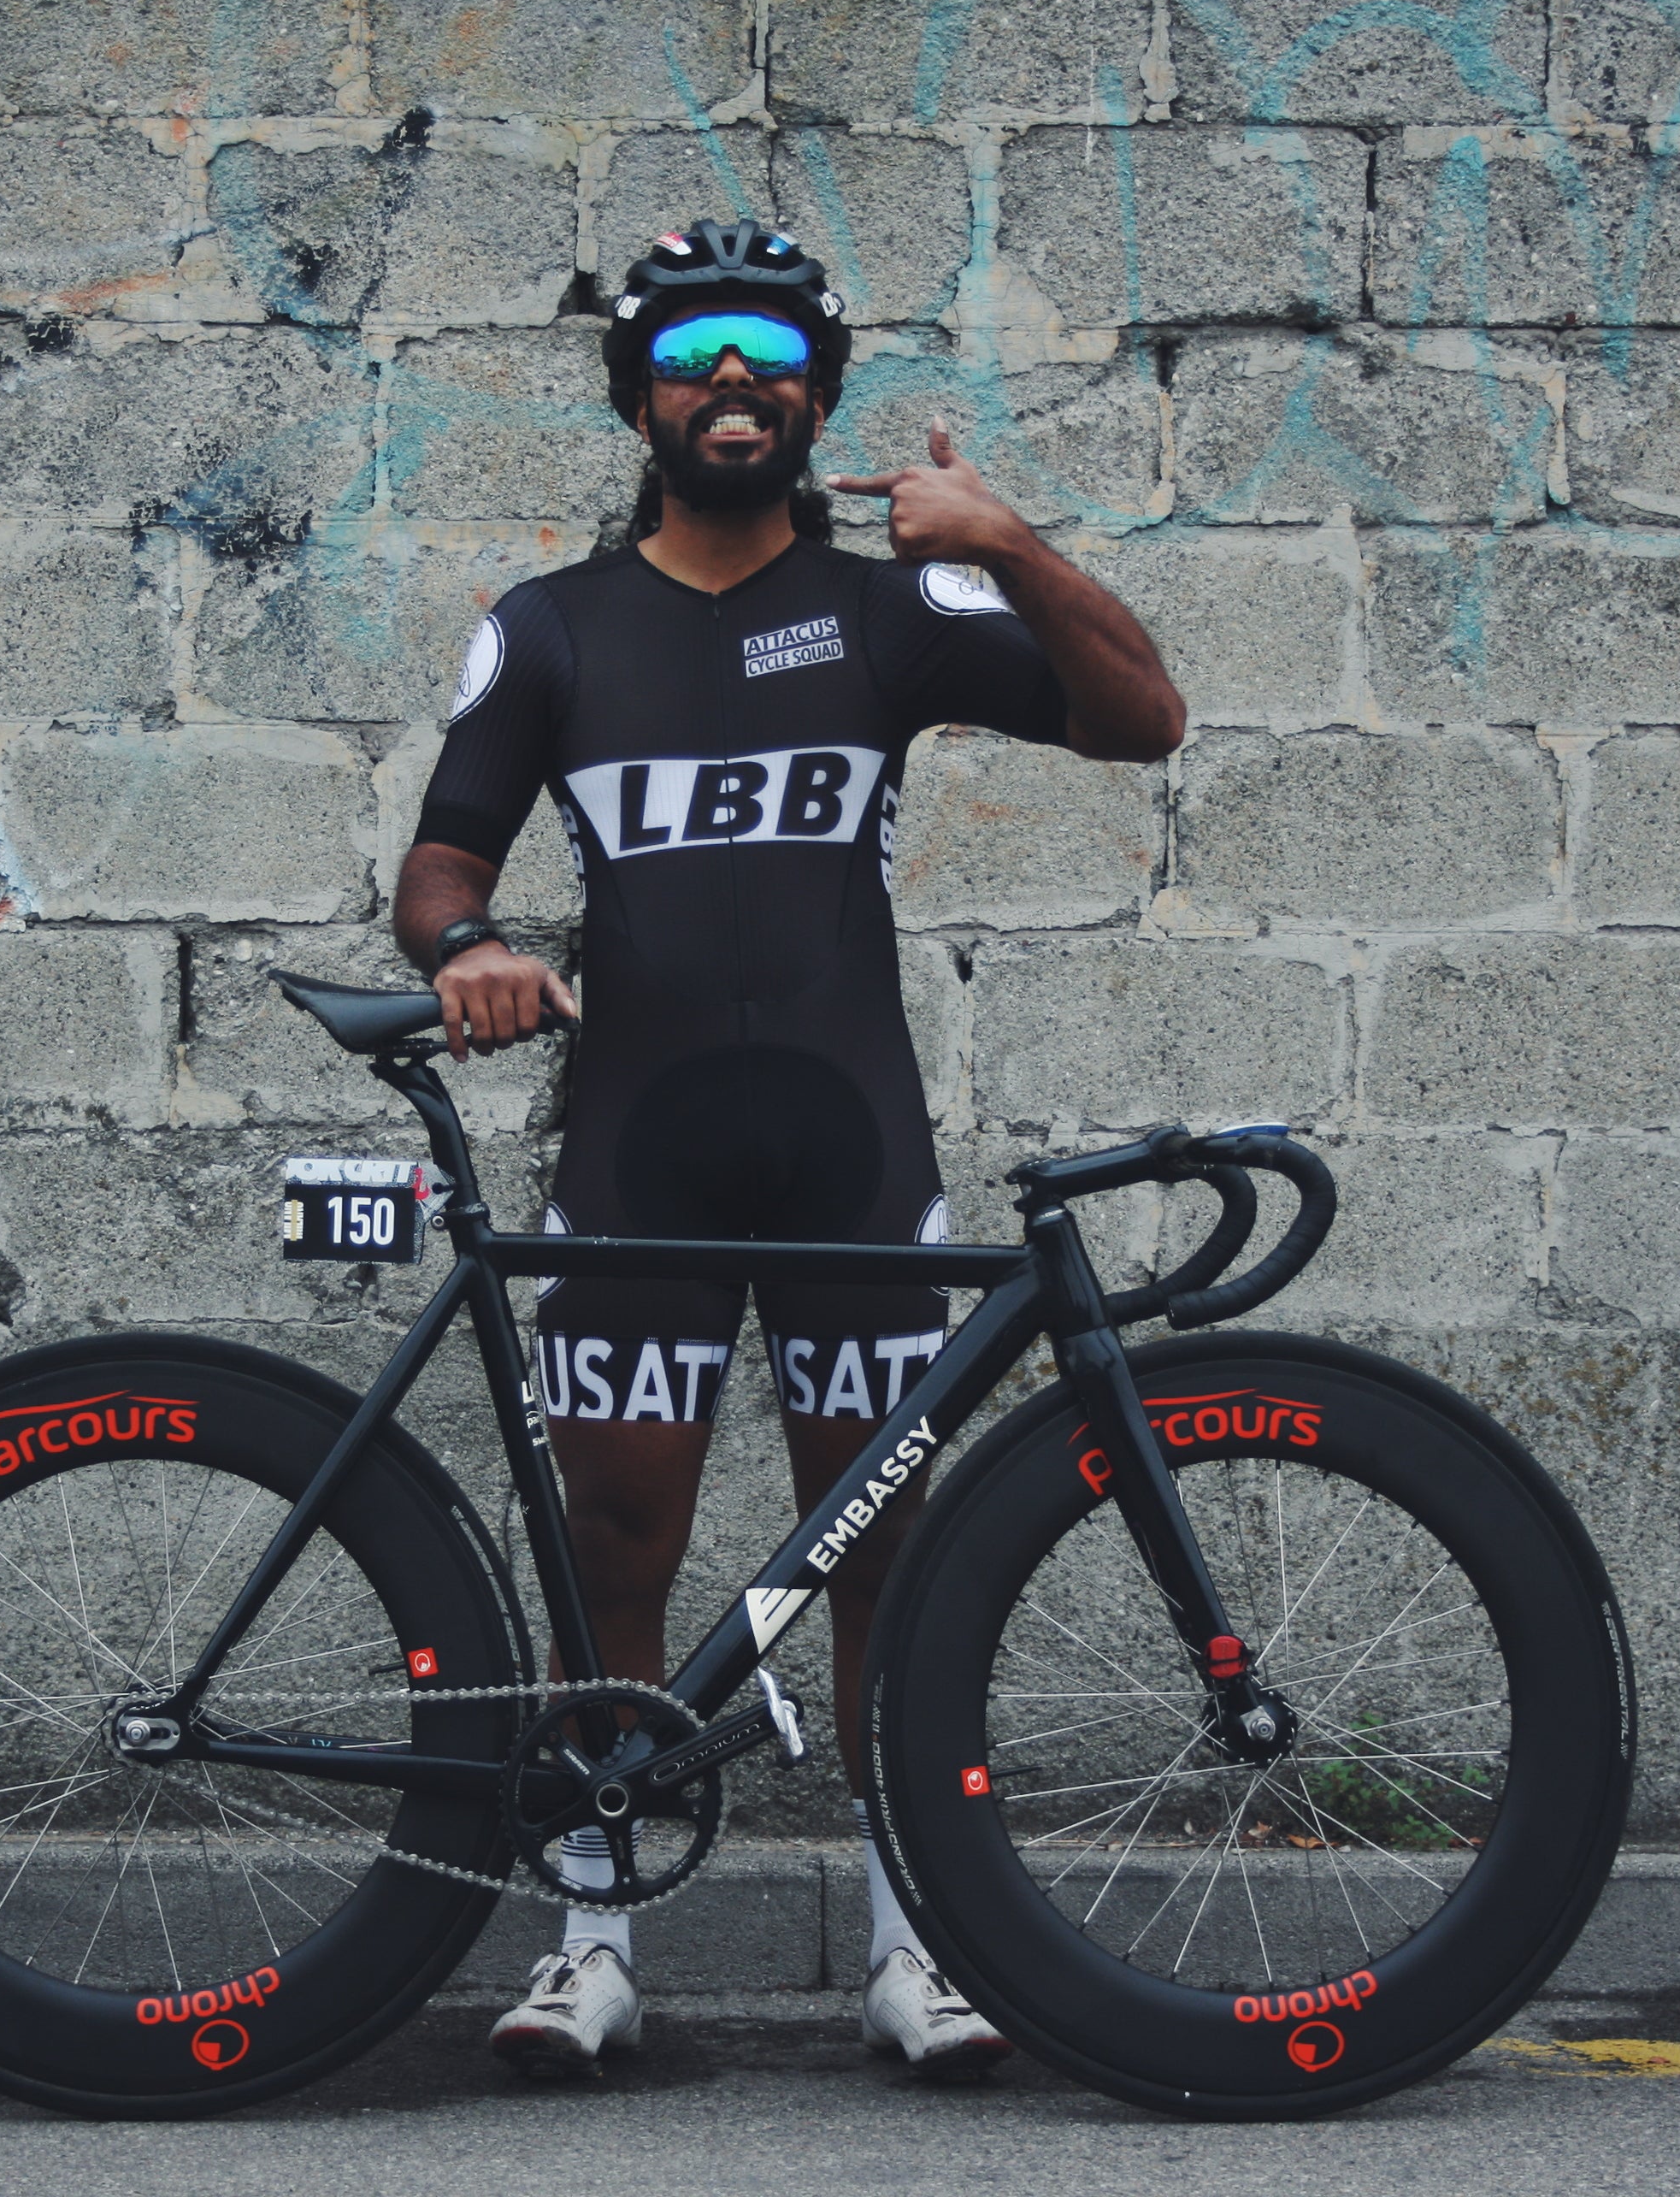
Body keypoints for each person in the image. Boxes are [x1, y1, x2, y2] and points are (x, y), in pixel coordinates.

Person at [392, 219, 1186, 2079]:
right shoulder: (553, 627)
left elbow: (1143, 719)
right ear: (637, 393)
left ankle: (922, 1950)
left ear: (819, 386)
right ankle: (589, 1942)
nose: (730, 380)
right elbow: (445, 853)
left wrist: (1002, 540)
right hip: (638, 1162)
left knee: (886, 1558)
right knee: (617, 1544)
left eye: (767, 349)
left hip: (852, 1152)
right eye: (688, 350)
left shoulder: (903, 605)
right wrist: (467, 944)